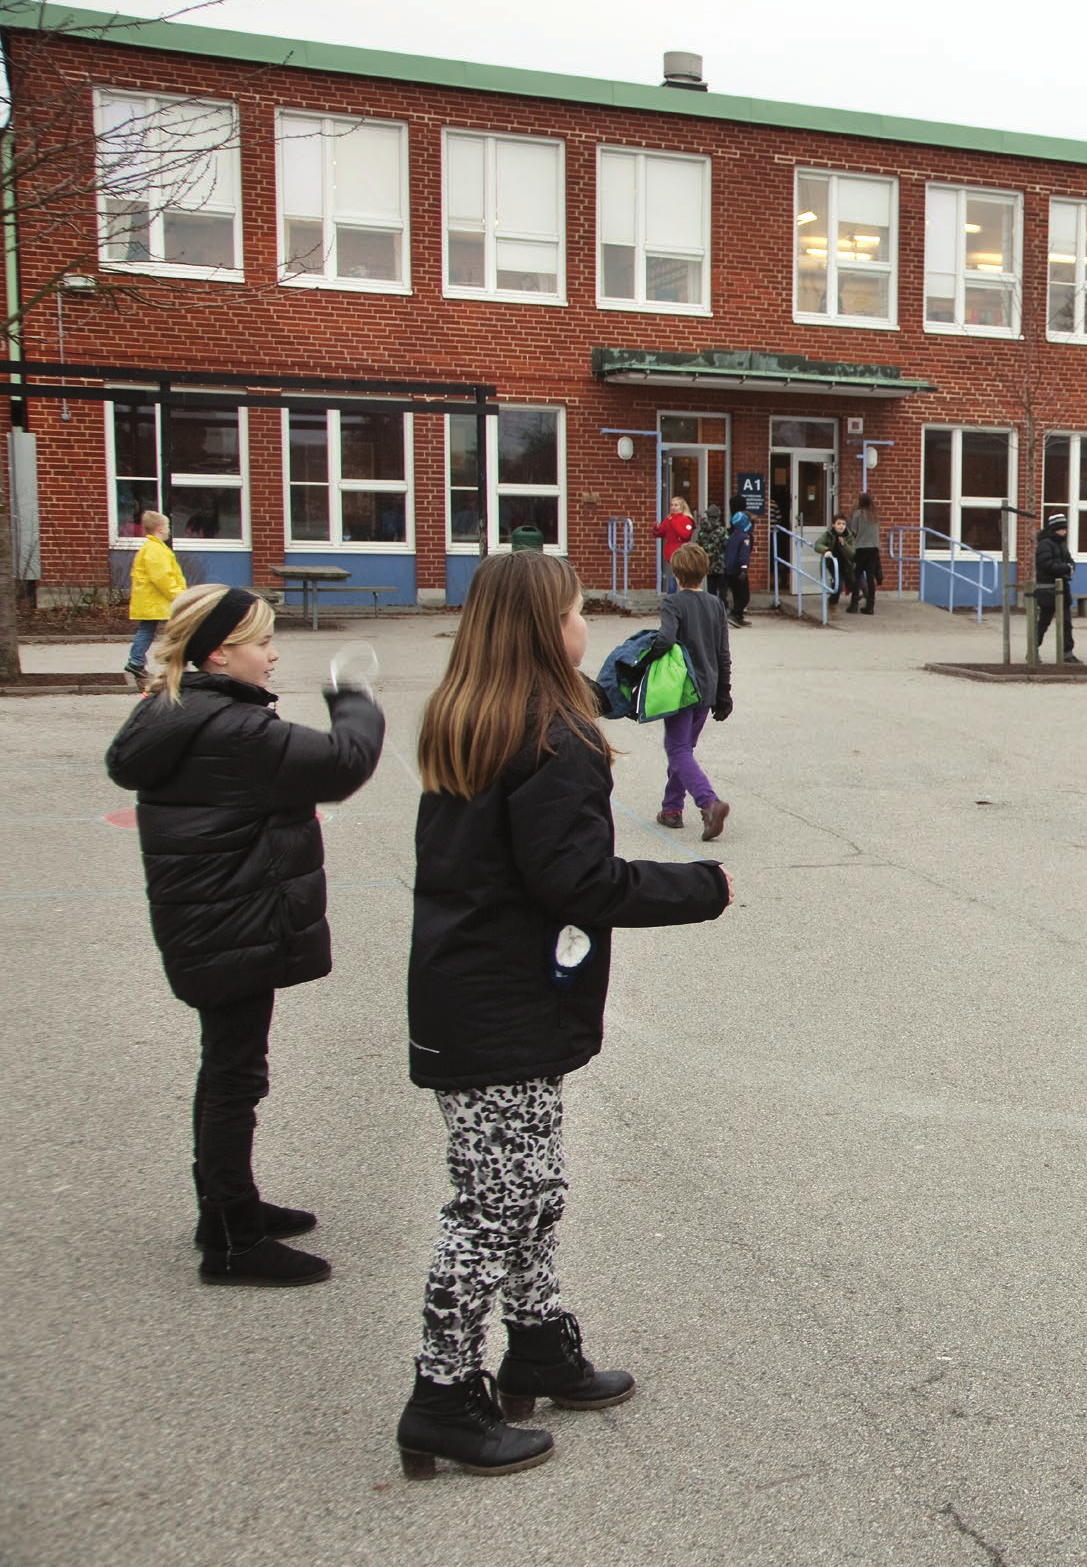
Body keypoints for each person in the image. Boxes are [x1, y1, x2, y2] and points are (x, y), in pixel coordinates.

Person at [397, 551, 733, 1478]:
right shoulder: (551, 734)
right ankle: (441, 1393)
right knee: (495, 1202)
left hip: (474, 990)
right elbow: (578, 879)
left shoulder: (477, 713)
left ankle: (537, 1342)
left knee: (530, 1189)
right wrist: (701, 886)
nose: (588, 623)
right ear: (550, 627)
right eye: (580, 610)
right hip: (499, 1004)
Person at [104, 584, 385, 1286]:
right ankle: (232, 1239)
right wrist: (353, 697)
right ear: (219, 652)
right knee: (236, 1075)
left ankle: (226, 1204)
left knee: (226, 1066)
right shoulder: (233, 729)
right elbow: (342, 762)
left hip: (207, 922)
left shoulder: (175, 712)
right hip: (228, 925)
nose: (273, 653)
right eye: (262, 642)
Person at [653, 542, 733, 839]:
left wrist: (644, 657)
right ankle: (672, 808)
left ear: (675, 572)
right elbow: (723, 652)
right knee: (684, 748)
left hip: (680, 687)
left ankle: (709, 803)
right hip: (708, 687)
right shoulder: (716, 604)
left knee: (677, 748)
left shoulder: (673, 603)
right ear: (704, 572)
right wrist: (724, 692)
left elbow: (664, 640)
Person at [127, 509, 186, 683]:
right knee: (177, 630)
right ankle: (174, 663)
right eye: (167, 526)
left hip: (152, 600)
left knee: (148, 629)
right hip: (158, 600)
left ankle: (136, 661)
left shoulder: (152, 548)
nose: (169, 529)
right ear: (160, 528)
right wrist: (178, 594)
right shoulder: (156, 550)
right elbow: (162, 577)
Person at [1031, 512, 1076, 659]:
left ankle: (1067, 652)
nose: (1065, 531)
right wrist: (1065, 568)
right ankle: (1033, 650)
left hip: (1062, 589)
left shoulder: (1061, 545)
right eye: (1062, 528)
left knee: (1066, 624)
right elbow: (1046, 564)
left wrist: (1070, 567)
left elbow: (1070, 561)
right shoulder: (1045, 545)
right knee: (1043, 622)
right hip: (1048, 589)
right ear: (1055, 529)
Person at [846, 492, 882, 614]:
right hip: (874, 549)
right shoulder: (874, 515)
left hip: (860, 548)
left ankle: (854, 604)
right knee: (870, 578)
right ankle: (870, 606)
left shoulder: (857, 514)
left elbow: (853, 531)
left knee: (856, 576)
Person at [722, 494, 754, 626]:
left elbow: (728, 553)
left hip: (729, 569)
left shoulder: (732, 536)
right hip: (739, 569)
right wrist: (744, 568)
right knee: (744, 595)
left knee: (736, 593)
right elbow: (744, 554)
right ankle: (735, 614)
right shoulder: (744, 537)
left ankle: (738, 616)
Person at [652, 498, 695, 594]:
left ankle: (675, 597)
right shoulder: (668, 520)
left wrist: (674, 522)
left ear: (681, 507)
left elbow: (685, 535)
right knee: (674, 576)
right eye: (672, 505)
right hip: (670, 553)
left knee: (676, 576)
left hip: (681, 552)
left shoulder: (686, 520)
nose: (673, 507)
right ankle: (673, 598)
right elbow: (660, 533)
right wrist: (656, 528)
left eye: (676, 505)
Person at [815, 513, 854, 611]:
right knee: (838, 584)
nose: (841, 526)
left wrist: (844, 544)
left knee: (854, 583)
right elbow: (818, 544)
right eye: (839, 524)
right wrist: (826, 550)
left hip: (846, 564)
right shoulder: (828, 534)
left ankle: (853, 603)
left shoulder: (848, 536)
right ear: (833, 525)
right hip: (833, 563)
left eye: (843, 524)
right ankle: (832, 603)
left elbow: (852, 553)